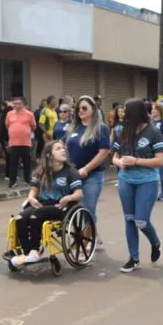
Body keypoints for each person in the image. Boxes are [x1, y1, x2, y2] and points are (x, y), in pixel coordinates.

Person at [112, 98, 163, 273]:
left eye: (126, 111)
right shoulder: (124, 132)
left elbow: (160, 161)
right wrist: (119, 162)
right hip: (125, 179)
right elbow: (114, 156)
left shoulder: (154, 132)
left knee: (141, 221)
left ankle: (155, 242)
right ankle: (133, 258)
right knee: (129, 219)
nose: (123, 114)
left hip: (147, 181)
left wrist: (136, 160)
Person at [9, 139, 83, 267]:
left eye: (63, 148)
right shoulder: (40, 172)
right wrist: (31, 198)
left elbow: (79, 194)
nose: (63, 150)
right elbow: (33, 192)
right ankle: (28, 254)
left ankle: (35, 251)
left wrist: (68, 198)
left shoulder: (70, 172)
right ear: (49, 155)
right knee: (20, 219)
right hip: (41, 204)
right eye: (58, 148)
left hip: (60, 206)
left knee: (36, 215)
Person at [65, 95, 110, 247]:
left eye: (84, 108)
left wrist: (86, 168)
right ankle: (94, 234)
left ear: (93, 110)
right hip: (73, 175)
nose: (80, 111)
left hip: (93, 175)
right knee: (76, 207)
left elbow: (103, 152)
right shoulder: (73, 128)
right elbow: (64, 148)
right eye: (78, 108)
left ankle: (85, 242)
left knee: (88, 207)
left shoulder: (100, 128)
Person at [5, 97, 36, 188]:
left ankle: (28, 180)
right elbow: (7, 125)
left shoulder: (29, 114)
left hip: (25, 142)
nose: (16, 105)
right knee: (13, 163)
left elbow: (33, 126)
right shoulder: (9, 114)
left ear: (23, 104)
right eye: (14, 103)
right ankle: (12, 181)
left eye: (18, 103)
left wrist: (24, 131)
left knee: (27, 162)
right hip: (13, 143)